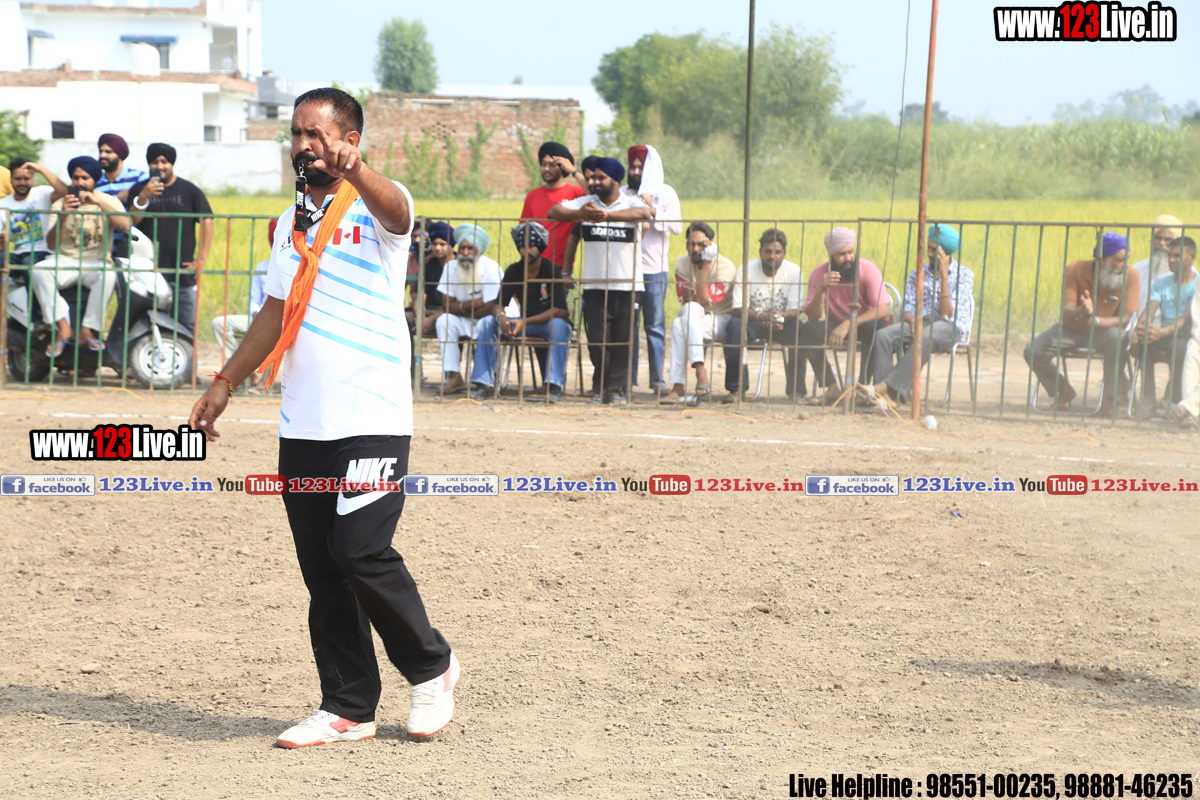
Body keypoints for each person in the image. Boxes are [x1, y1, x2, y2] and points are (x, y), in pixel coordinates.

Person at [189, 87, 457, 749]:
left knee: (360, 550)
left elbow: (400, 213)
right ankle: (348, 705)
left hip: (372, 414)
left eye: (317, 133)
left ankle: (432, 667)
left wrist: (357, 172)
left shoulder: (374, 205)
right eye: (297, 134)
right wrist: (225, 381)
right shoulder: (289, 223)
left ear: (348, 140)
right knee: (322, 569)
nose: (304, 145)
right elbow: (275, 311)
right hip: (304, 423)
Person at [549, 157, 652, 405]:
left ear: (615, 180)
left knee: (622, 342)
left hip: (628, 286)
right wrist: (579, 214)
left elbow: (645, 212)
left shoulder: (630, 200)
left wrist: (607, 216)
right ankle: (601, 387)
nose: (594, 181)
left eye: (600, 177)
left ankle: (615, 391)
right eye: (592, 177)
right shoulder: (587, 203)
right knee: (596, 341)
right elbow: (553, 212)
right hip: (595, 286)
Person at [1023, 232, 1139, 416]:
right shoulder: (1075, 269)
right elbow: (1066, 312)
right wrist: (1082, 311)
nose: (1124, 265)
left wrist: (1095, 321)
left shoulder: (1131, 275)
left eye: (1127, 259)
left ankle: (1108, 402)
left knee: (1119, 340)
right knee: (1033, 350)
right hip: (1072, 329)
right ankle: (1063, 389)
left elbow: (1125, 320)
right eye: (1119, 260)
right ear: (1102, 260)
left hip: (1105, 332)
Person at [866, 224, 975, 409]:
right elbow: (908, 307)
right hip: (920, 321)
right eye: (928, 249)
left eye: (934, 250)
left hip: (950, 326)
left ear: (946, 254)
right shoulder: (918, 273)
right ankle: (885, 397)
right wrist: (913, 320)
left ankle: (886, 388)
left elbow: (946, 314)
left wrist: (944, 276)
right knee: (883, 335)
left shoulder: (964, 275)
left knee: (925, 336)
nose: (929, 254)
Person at [32, 155, 129, 356]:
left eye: (85, 178)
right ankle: (63, 327)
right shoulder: (61, 204)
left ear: (94, 179)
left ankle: (87, 329)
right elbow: (52, 245)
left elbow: (125, 226)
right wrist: (63, 216)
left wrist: (98, 202)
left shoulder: (107, 201)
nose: (80, 183)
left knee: (109, 274)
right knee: (39, 271)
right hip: (66, 260)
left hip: (96, 262)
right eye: (75, 178)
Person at [467, 221, 572, 403]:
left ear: (540, 247)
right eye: (522, 247)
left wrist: (525, 322)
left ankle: (554, 386)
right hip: (521, 324)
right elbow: (498, 304)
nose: (526, 251)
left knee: (559, 325)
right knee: (487, 322)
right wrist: (502, 317)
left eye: (531, 246)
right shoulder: (514, 271)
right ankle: (484, 384)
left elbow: (561, 310)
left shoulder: (552, 269)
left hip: (546, 324)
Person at [795, 227, 891, 406]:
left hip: (864, 323)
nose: (848, 258)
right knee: (805, 331)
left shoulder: (868, 269)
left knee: (877, 329)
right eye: (841, 254)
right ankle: (832, 387)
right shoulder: (819, 274)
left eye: (850, 252)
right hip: (836, 326)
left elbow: (883, 309)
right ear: (831, 256)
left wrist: (849, 324)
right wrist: (821, 290)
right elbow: (813, 316)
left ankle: (862, 388)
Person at [126, 143, 214, 336]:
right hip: (148, 272)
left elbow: (207, 221)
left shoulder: (189, 190)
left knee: (185, 326)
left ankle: (185, 356)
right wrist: (144, 196)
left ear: (172, 163)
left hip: (181, 271)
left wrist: (200, 260)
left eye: (164, 162)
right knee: (145, 324)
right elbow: (134, 220)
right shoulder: (139, 189)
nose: (160, 166)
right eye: (154, 162)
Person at [622, 145, 682, 393]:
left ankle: (658, 382)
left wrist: (652, 209)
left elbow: (677, 227)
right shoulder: (623, 193)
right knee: (628, 327)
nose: (636, 172)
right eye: (632, 167)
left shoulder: (665, 193)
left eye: (641, 167)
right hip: (626, 271)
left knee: (655, 326)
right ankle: (628, 381)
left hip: (655, 271)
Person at [719, 229, 804, 403]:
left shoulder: (793, 271)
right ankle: (736, 389)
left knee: (799, 328)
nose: (773, 256)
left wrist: (781, 318)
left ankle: (796, 391)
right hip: (753, 322)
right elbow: (737, 308)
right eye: (768, 251)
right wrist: (763, 317)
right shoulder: (747, 270)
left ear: (784, 253)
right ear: (760, 252)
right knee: (735, 325)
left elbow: (796, 309)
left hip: (783, 322)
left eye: (777, 252)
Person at [662, 222, 736, 403]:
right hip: (695, 317)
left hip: (722, 318)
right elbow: (687, 302)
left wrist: (707, 263)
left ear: (711, 245)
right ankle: (699, 370)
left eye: (701, 245)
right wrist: (690, 296)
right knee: (683, 318)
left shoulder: (725, 267)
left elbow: (702, 299)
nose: (695, 249)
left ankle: (679, 385)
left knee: (679, 324)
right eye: (691, 244)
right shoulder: (682, 262)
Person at [434, 223, 503, 393]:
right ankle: (454, 376)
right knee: (444, 320)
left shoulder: (491, 268)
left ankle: (485, 379)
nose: (465, 253)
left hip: (489, 320)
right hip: (465, 318)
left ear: (479, 250)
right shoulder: (450, 267)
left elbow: (490, 308)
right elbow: (446, 306)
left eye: (470, 248)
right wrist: (474, 303)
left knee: (487, 322)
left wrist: (459, 306)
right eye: (462, 248)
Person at [1132, 236, 1195, 414]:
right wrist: (1140, 328)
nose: (1171, 260)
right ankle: (1148, 397)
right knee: (1144, 340)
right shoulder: (1161, 283)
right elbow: (1150, 309)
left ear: (1191, 257)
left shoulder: (1197, 284)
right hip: (1165, 334)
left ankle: (1173, 398)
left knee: (1180, 348)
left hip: (1186, 335)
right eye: (1169, 255)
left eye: (1177, 256)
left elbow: (1186, 319)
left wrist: (1163, 332)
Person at [210, 219, 274, 391]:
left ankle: (263, 383)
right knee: (220, 323)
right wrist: (256, 315)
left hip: (283, 321)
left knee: (275, 327)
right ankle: (242, 372)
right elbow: (254, 300)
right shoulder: (262, 267)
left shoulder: (296, 266)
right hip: (260, 317)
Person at [520, 142, 585, 270]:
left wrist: (574, 170)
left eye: (552, 165)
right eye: (543, 164)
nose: (546, 169)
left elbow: (595, 196)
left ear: (563, 167)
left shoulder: (576, 193)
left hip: (561, 267)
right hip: (535, 266)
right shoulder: (533, 195)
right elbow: (523, 230)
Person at [0, 158, 70, 267]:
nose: (22, 183)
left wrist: (41, 169)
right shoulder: (3, 203)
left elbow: (64, 191)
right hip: (18, 253)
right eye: (18, 178)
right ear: (11, 179)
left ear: (33, 178)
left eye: (26, 178)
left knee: (28, 263)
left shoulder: (42, 193)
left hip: (43, 251)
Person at [95, 133, 147, 260]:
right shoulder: (95, 183)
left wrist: (131, 193)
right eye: (101, 151)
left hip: (135, 251)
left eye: (108, 152)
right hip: (103, 252)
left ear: (120, 154)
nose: (102, 155)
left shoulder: (139, 178)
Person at [1131, 215, 1184, 325]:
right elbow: (1128, 309)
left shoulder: (1188, 274)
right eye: (1158, 238)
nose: (1161, 243)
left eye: (1168, 239)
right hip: (1136, 330)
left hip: (1170, 332)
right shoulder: (1138, 269)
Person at [562, 155, 600, 279]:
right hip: (593, 277)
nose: (591, 183)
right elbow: (573, 239)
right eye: (587, 179)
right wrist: (566, 272)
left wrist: (574, 172)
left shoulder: (622, 201)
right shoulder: (589, 207)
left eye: (596, 177)